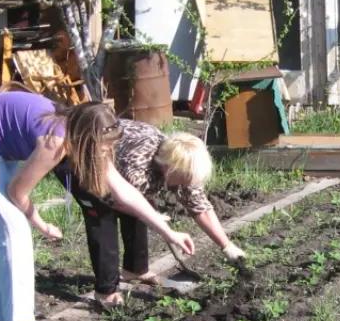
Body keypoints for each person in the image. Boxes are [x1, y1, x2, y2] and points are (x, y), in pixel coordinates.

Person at [0, 92, 195, 321]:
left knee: (11, 232)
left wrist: (169, 232)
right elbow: (17, 193)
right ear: (86, 138)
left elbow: (124, 192)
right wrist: (41, 223)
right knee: (13, 228)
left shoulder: (87, 131)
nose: (107, 152)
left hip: (3, 138)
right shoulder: (55, 143)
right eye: (103, 147)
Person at [58, 119, 245, 308]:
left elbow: (200, 206)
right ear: (169, 168)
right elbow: (119, 200)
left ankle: (135, 270)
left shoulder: (180, 162)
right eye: (185, 179)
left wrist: (227, 246)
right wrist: (157, 221)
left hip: (115, 161)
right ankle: (106, 291)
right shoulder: (139, 165)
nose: (187, 184)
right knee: (102, 214)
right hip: (77, 154)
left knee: (144, 205)